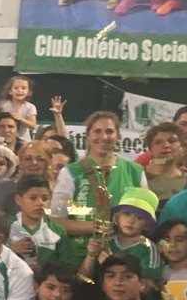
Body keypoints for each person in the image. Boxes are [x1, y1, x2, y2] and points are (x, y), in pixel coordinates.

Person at [52, 111, 147, 266]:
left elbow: (145, 219)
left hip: (124, 260)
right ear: (88, 136)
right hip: (79, 257)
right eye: (97, 131)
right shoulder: (70, 173)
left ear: (118, 136)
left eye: (109, 131)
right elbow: (57, 222)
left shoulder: (135, 172)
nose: (103, 136)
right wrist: (97, 227)